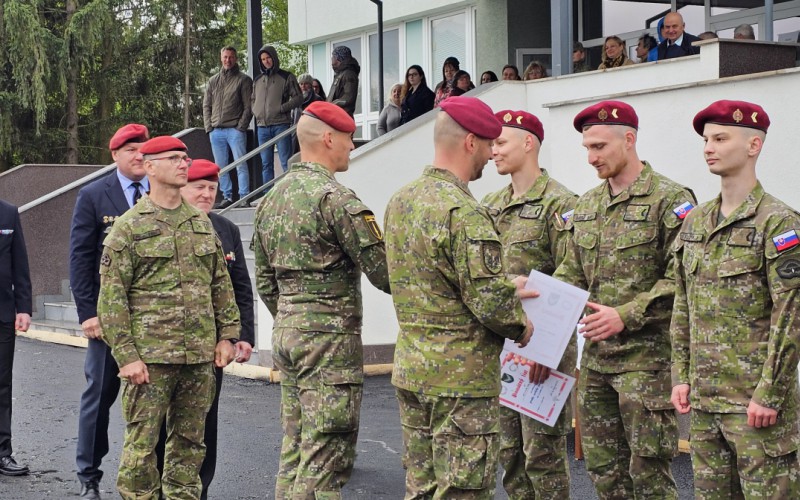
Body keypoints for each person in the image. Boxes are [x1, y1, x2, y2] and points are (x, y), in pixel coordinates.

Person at [384, 96, 535, 498]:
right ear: (470, 142)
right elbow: (489, 301)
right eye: (488, 144)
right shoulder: (464, 211)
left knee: (421, 487)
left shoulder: (401, 201)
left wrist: (502, 286)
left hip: (413, 369)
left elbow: (427, 278)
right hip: (460, 382)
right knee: (462, 490)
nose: (490, 154)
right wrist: (521, 323)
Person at [553, 100, 696, 499]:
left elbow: (683, 279)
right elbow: (572, 272)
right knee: (603, 472)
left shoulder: (670, 200)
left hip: (645, 364)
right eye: (586, 148)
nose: (590, 157)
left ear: (628, 140)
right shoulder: (587, 206)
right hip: (597, 363)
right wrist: (536, 295)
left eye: (599, 146)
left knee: (649, 475)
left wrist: (626, 315)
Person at [253, 100, 391, 499]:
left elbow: (265, 279)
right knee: (325, 453)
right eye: (348, 139)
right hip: (328, 344)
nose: (352, 147)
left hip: (289, 333)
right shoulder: (336, 200)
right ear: (329, 139)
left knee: (295, 448)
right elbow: (384, 273)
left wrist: (293, 316)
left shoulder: (270, 200)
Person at [97, 136, 240, 499]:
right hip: (151, 360)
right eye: (174, 158)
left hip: (197, 358)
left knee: (190, 448)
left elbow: (220, 285)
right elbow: (112, 299)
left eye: (185, 158)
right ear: (149, 167)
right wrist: (126, 355)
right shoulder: (129, 228)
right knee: (142, 450)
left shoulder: (201, 224)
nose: (183, 163)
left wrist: (227, 336)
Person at [671, 100, 800, 498]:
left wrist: (770, 392)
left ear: (753, 145)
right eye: (706, 139)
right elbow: (683, 302)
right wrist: (681, 373)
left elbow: (791, 315)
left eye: (720, 138)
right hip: (706, 402)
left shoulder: (779, 222)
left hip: (755, 406)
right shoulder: (696, 221)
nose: (708, 147)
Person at [482, 110, 577, 499]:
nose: (493, 151)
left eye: (500, 142)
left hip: (543, 348)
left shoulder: (562, 203)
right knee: (510, 453)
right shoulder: (489, 204)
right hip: (503, 347)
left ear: (528, 143)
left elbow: (570, 277)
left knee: (543, 453)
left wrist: (545, 349)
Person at [149, 158, 254, 500]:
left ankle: (199, 489)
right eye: (200, 187)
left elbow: (240, 287)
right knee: (163, 423)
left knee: (205, 422)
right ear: (183, 187)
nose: (207, 194)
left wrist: (241, 336)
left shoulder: (225, 229)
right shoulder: (162, 224)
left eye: (212, 188)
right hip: (167, 345)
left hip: (210, 347)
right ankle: (162, 486)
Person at [70, 123, 150, 499]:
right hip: (108, 319)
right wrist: (88, 312)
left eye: (143, 149)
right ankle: (89, 474)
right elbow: (81, 258)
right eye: (131, 149)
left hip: (154, 318)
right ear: (115, 155)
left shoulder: (163, 193)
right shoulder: (93, 195)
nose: (139, 155)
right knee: (99, 395)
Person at [0, 199, 31, 477]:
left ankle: (2, 453)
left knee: (2, 385)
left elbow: (20, 263)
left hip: (3, 314)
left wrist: (24, 308)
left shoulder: (8, 212)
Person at [203, 46, 253, 209]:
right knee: (221, 167)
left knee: (241, 164)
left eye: (231, 57)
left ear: (236, 59)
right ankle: (227, 196)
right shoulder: (213, 81)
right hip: (216, 131)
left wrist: (241, 127)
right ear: (221, 58)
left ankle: (244, 196)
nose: (228, 60)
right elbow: (206, 105)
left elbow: (249, 106)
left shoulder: (243, 80)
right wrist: (208, 127)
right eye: (225, 57)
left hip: (235, 130)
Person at [252, 45, 303, 192]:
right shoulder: (257, 80)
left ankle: (289, 190)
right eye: (263, 59)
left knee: (285, 160)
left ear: (273, 58)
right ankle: (268, 193)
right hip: (262, 126)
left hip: (280, 124)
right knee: (266, 163)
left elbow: (298, 98)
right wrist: (256, 111)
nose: (266, 61)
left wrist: (282, 108)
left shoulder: (286, 76)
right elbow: (252, 99)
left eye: (268, 58)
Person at [289, 74, 325, 157]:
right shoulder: (295, 99)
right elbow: (292, 116)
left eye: (306, 83)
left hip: (312, 132)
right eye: (301, 84)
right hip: (296, 132)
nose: (303, 86)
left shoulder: (317, 99)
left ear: (310, 85)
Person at [327, 46, 360, 117]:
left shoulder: (348, 74)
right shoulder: (339, 74)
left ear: (338, 58)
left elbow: (348, 97)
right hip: (335, 114)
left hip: (342, 116)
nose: (332, 58)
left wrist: (332, 105)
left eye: (333, 56)